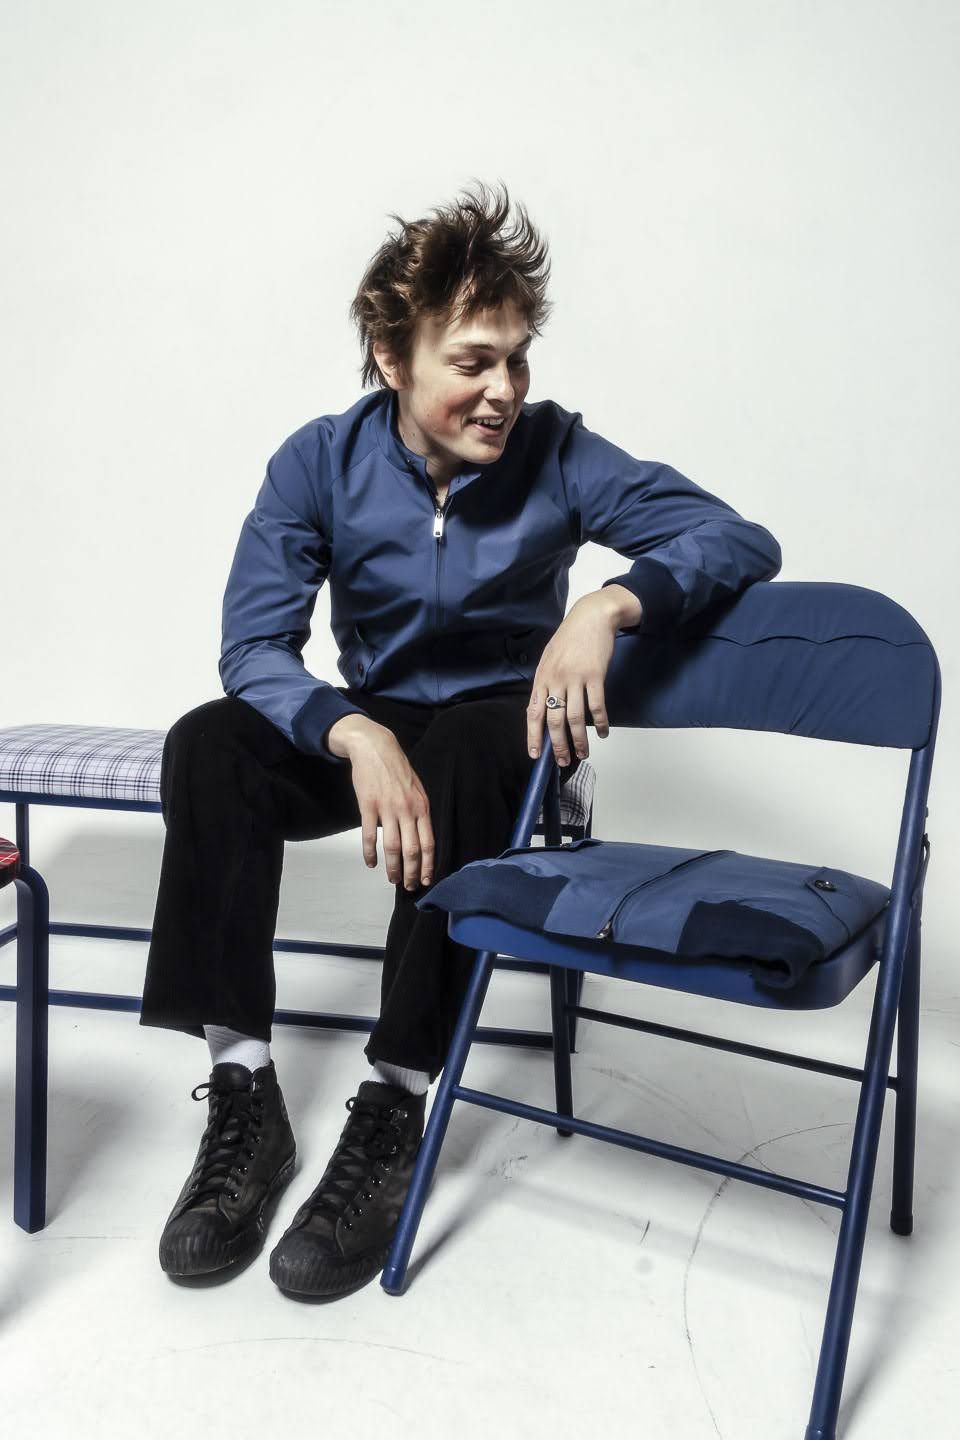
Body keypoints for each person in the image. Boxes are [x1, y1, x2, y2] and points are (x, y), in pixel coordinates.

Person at [139, 180, 782, 1300]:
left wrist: (609, 603)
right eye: (475, 362)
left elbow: (736, 537)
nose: (504, 391)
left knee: (474, 745)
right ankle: (243, 1092)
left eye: (517, 360)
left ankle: (395, 1097)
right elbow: (252, 649)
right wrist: (350, 730)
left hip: (507, 737)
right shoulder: (318, 462)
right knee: (211, 745)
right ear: (392, 357)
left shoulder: (558, 451)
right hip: (379, 718)